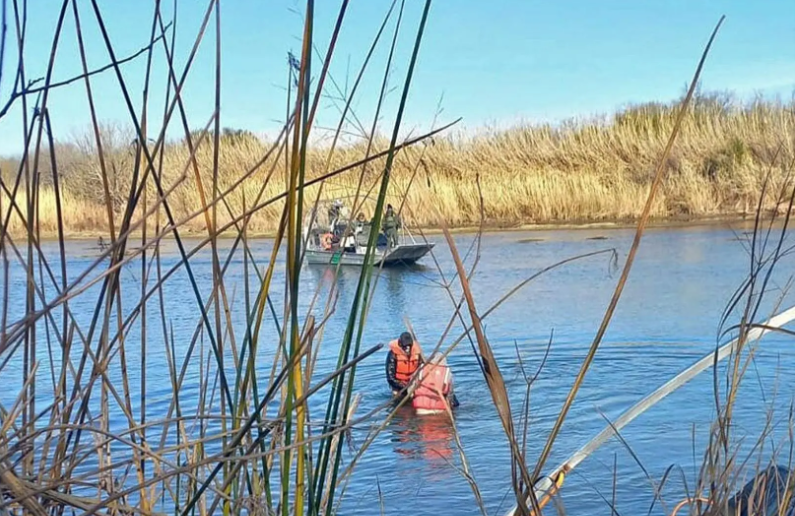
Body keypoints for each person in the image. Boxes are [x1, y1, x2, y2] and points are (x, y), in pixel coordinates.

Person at [385, 331, 422, 397]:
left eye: (409, 346)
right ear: (400, 344)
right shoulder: (393, 355)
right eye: (405, 346)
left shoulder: (417, 353)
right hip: (398, 384)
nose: (407, 348)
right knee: (397, 396)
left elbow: (421, 369)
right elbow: (390, 377)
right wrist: (402, 386)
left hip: (413, 382)